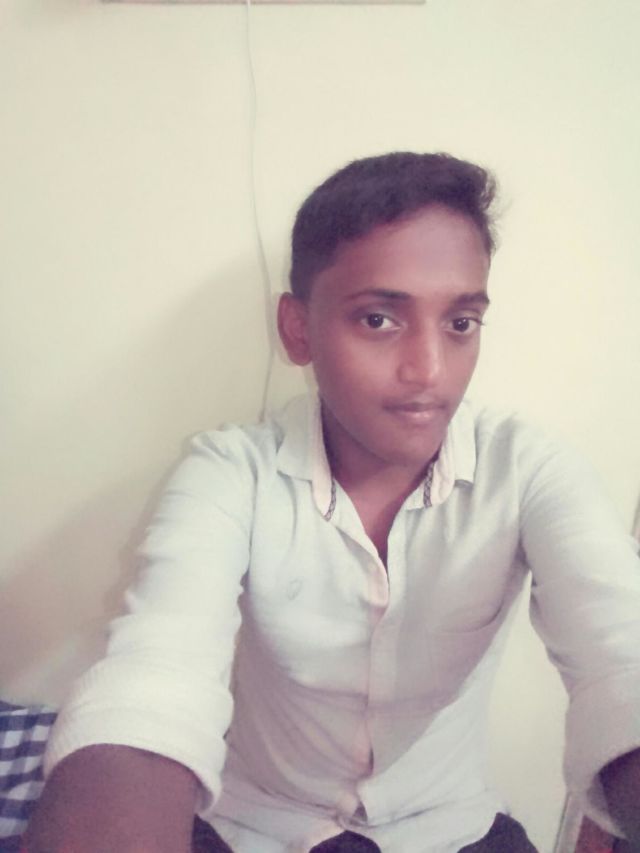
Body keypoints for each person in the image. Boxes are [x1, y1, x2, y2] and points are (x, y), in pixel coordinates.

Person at [23, 153, 640, 853]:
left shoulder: (527, 470)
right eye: (379, 319)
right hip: (254, 825)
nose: (430, 371)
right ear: (298, 330)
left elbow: (621, 646)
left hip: (450, 827)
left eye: (461, 323)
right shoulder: (231, 473)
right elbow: (157, 669)